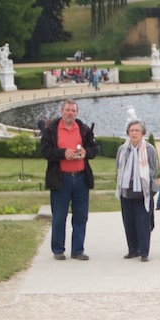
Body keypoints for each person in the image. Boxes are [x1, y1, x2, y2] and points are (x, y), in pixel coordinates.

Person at [40, 99, 99, 261]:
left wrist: (86, 152)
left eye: (73, 111)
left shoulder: (83, 129)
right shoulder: (51, 130)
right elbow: (45, 151)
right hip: (61, 179)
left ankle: (77, 250)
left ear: (77, 113)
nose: (70, 113)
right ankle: (58, 249)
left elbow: (95, 149)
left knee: (81, 216)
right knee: (59, 216)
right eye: (67, 110)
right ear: (62, 111)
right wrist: (63, 153)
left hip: (80, 179)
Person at [115, 119, 159, 262]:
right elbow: (118, 166)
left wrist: (142, 179)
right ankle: (132, 249)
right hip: (126, 190)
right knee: (129, 221)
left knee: (143, 222)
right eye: (131, 130)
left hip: (143, 190)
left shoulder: (149, 149)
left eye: (137, 130)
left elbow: (154, 169)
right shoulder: (123, 149)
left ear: (142, 133)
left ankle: (144, 251)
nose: (134, 133)